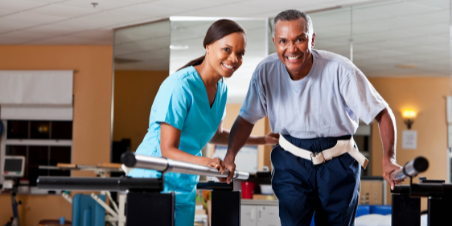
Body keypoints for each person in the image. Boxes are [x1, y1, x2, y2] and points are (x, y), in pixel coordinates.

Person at [222, 10, 403, 226]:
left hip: (338, 161)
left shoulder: (340, 69)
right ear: (274, 42)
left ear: (312, 39)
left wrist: (388, 158)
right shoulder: (265, 71)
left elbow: (382, 112)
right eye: (283, 41)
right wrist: (230, 156)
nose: (292, 49)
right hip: (291, 160)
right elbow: (245, 119)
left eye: (300, 39)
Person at [128, 19, 278, 226]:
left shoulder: (222, 89)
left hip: (184, 180)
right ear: (208, 46)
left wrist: (264, 140)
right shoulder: (180, 86)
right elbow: (167, 149)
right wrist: (207, 162)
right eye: (226, 49)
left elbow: (216, 135)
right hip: (154, 177)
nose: (234, 59)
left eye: (240, 53)